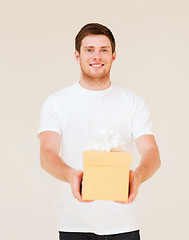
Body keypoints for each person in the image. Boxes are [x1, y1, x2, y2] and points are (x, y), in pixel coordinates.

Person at [38, 23, 161, 240]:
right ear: (77, 56)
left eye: (104, 50)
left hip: (123, 224)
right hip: (74, 223)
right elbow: (47, 154)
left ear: (114, 56)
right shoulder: (57, 102)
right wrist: (70, 175)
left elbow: (151, 152)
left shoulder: (132, 102)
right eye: (89, 50)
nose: (97, 56)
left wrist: (138, 176)